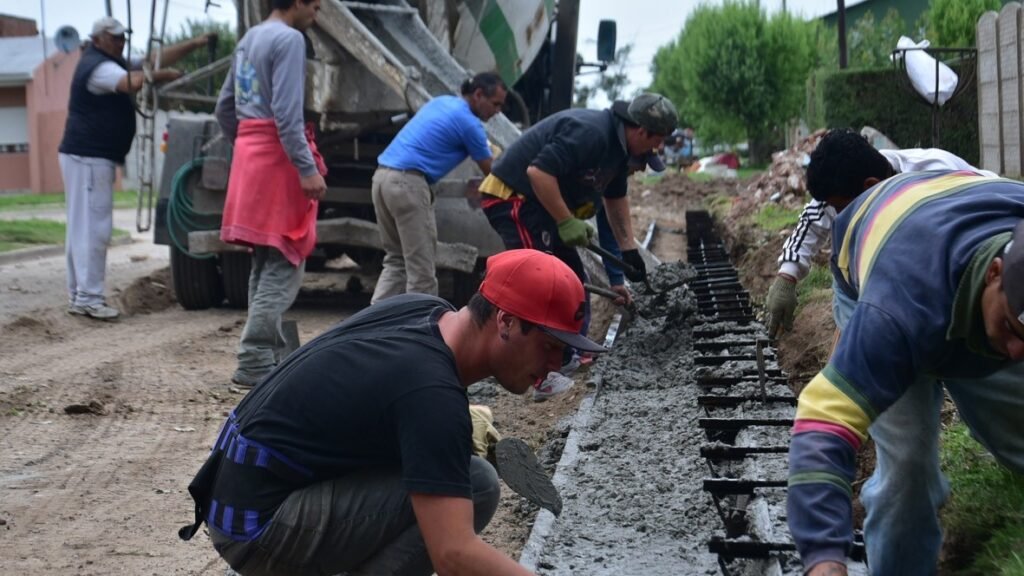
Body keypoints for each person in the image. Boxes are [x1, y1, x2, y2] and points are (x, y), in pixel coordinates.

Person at [178, 249, 607, 576]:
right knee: (475, 484)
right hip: (253, 525)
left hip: (237, 489)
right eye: (551, 347)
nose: (555, 365)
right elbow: (453, 552)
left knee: (455, 472)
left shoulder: (423, 311)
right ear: (506, 323)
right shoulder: (431, 393)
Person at [787, 171, 1024, 575]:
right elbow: (824, 419)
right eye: (1012, 329)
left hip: (949, 218)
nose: (1019, 353)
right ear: (994, 274)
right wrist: (823, 557)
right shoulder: (895, 311)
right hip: (885, 260)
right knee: (908, 473)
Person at [477, 93, 677, 399]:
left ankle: (565, 358)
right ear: (641, 131)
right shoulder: (593, 133)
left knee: (571, 279)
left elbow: (615, 208)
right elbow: (538, 172)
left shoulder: (618, 156)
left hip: (539, 205)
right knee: (539, 285)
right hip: (512, 196)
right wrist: (565, 220)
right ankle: (532, 371)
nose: (657, 149)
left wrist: (625, 259)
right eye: (657, 141)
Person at [765, 128, 997, 337]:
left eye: (840, 208)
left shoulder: (941, 175)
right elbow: (813, 220)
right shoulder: (845, 182)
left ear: (870, 187)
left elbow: (1000, 205)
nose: (838, 215)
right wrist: (787, 276)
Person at [59, 17, 212, 320]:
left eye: (123, 38)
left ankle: (81, 295)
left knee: (82, 226)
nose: (121, 42)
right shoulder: (100, 67)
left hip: (85, 155)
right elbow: (132, 80)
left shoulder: (108, 58)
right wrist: (162, 75)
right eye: (115, 38)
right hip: (89, 157)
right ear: (99, 38)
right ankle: (89, 298)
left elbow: (150, 60)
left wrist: (193, 43)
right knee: (94, 228)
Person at [214, 0, 328, 388]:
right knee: (286, 259)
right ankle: (254, 358)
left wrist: (248, 146)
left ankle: (273, 356)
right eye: (315, 3)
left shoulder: (250, 37)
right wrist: (305, 168)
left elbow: (224, 108)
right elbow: (286, 113)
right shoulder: (290, 39)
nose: (319, 10)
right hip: (278, 160)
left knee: (265, 260)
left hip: (251, 156)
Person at [371, 72, 507, 304]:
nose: (498, 112)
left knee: (396, 261)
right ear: (478, 95)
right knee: (421, 272)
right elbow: (492, 173)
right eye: (495, 104)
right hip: (408, 185)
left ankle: (369, 327)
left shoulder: (442, 102)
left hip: (382, 179)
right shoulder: (470, 124)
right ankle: (420, 335)